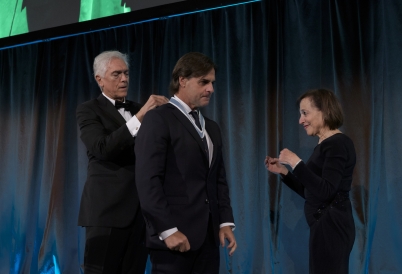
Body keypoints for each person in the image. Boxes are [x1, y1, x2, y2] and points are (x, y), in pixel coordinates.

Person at [135, 52, 237, 274]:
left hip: (208, 239)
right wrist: (167, 230)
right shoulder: (159, 118)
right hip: (173, 238)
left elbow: (218, 178)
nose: (210, 89)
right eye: (203, 82)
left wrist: (224, 222)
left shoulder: (211, 127)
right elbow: (147, 180)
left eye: (212, 83)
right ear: (182, 80)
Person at [76, 50, 169, 273]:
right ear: (99, 79)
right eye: (116, 74)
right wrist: (139, 119)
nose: (124, 79)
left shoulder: (141, 109)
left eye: (126, 73)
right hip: (107, 212)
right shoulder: (89, 110)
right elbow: (102, 148)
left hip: (141, 214)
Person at [265, 88, 356, 274]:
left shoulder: (337, 144)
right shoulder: (325, 145)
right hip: (324, 226)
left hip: (333, 228)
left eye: (305, 113)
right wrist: (284, 172)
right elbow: (311, 191)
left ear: (324, 111)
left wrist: (294, 161)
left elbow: (326, 191)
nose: (300, 120)